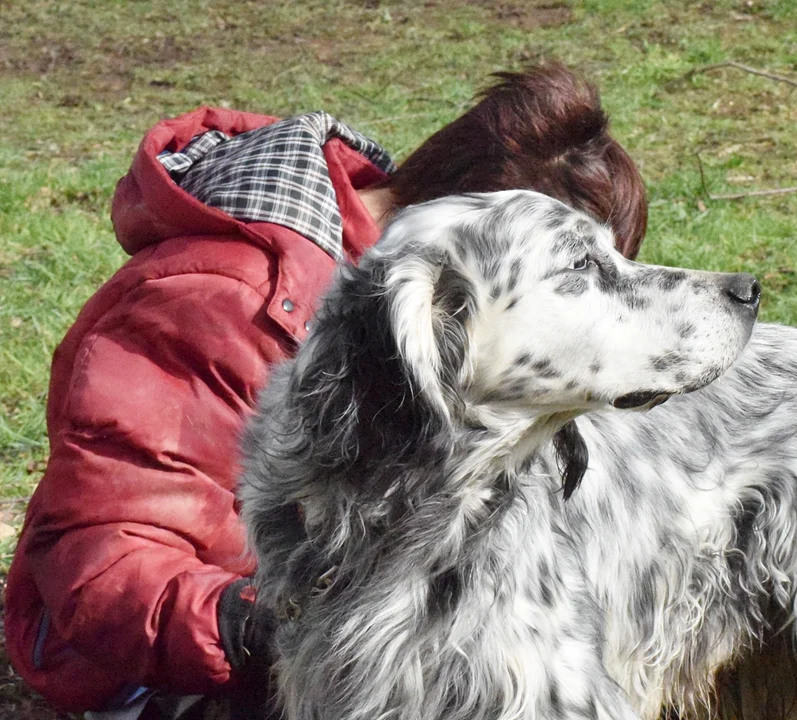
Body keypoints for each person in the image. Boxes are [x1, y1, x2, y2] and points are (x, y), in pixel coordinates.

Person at [4, 63, 647, 719]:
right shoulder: (226, 299)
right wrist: (287, 621)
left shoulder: (406, 298)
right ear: (481, 243)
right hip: (169, 660)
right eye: (580, 278)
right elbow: (100, 561)